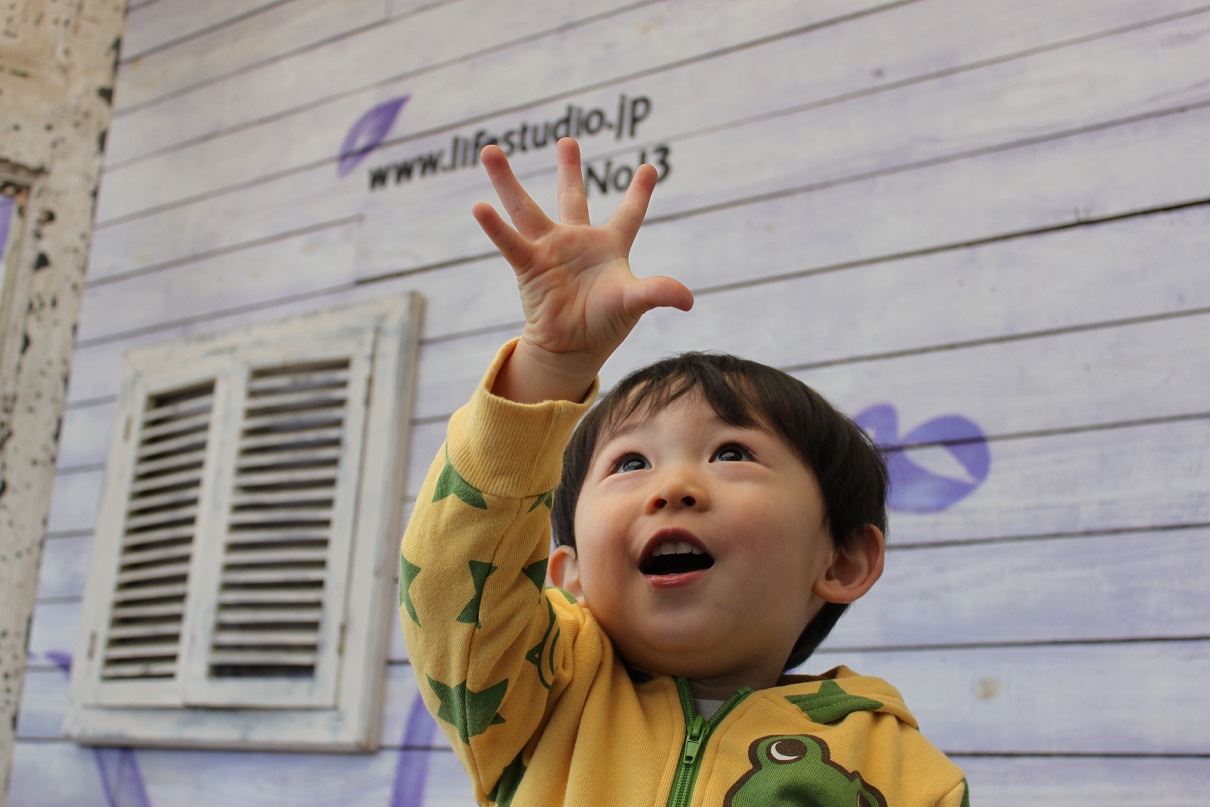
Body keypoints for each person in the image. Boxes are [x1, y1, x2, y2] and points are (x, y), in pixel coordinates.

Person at [400, 137, 970, 806]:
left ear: (841, 558)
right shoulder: (532, 696)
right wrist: (550, 365)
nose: (671, 488)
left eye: (731, 454)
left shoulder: (900, 770)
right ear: (570, 573)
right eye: (630, 462)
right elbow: (451, 580)